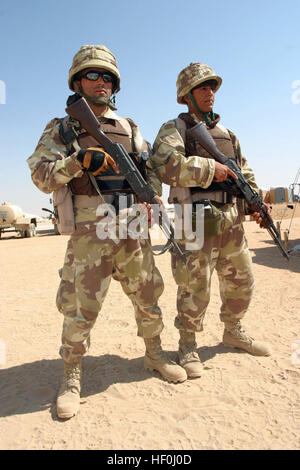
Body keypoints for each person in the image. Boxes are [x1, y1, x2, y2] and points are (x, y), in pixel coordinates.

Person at [27, 44, 187, 419]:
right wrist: (77, 160)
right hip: (91, 228)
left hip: (133, 225)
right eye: (92, 75)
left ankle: (155, 354)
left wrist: (152, 199)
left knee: (148, 294)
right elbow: (39, 174)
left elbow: (148, 172)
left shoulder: (129, 127)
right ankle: (71, 375)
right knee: (80, 306)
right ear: (78, 81)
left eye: (107, 77)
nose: (101, 82)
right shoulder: (62, 127)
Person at [151, 62, 271, 379]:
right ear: (186, 94)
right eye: (203, 87)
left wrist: (255, 202)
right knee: (194, 287)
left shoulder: (228, 135)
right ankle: (188, 346)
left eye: (212, 87)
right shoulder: (174, 128)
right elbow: (165, 164)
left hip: (231, 219)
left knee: (241, 281)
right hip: (195, 218)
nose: (210, 92)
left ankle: (233, 331)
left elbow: (245, 173)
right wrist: (208, 170)